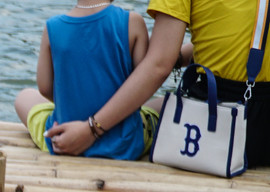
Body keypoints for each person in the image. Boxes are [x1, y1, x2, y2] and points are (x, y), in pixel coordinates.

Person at [46, 1, 265, 168]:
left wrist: (91, 129)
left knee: (152, 107)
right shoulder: (129, 22)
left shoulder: (53, 26)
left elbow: (158, 65)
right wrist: (178, 57)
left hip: (228, 130)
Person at [13, 2, 162, 160]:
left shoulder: (52, 27)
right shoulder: (133, 22)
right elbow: (143, 87)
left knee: (24, 96)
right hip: (124, 145)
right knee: (164, 103)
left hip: (62, 138)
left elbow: (45, 88)